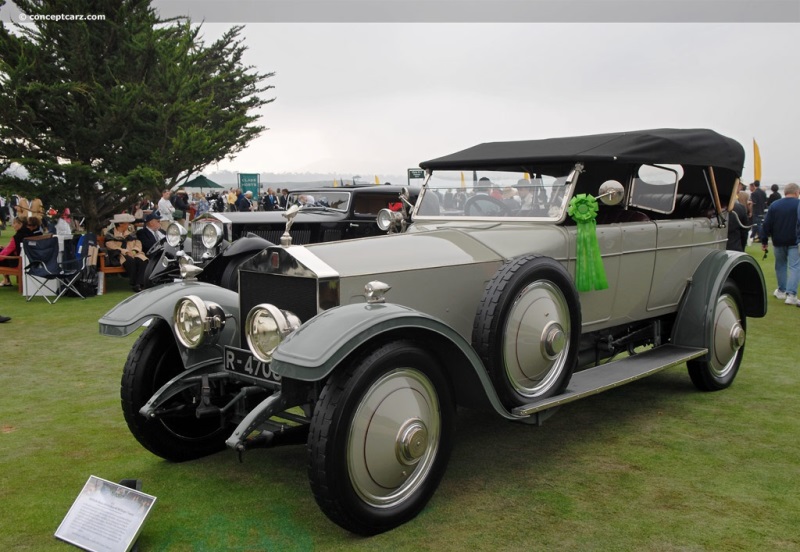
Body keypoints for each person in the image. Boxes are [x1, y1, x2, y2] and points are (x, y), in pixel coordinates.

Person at [759, 182, 799, 305]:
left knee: (780, 266)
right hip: (794, 240)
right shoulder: (798, 204)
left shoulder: (775, 205)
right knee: (795, 267)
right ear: (797, 192)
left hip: (778, 240)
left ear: (785, 192)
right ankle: (791, 294)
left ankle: (781, 290)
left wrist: (764, 240)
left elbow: (766, 224)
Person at [104, 213, 149, 292]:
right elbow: (110, 245)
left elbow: (138, 243)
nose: (128, 225)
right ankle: (135, 284)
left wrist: (134, 251)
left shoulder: (131, 233)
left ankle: (140, 283)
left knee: (143, 261)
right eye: (127, 223)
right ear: (120, 224)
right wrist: (124, 251)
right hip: (120, 254)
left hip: (135, 253)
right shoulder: (110, 234)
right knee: (130, 261)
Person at [0, 216, 33, 286]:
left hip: (17, 262)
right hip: (28, 260)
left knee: (2, 254)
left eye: (14, 223)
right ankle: (6, 280)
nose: (12, 225)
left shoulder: (17, 237)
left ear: (20, 224)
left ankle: (6, 280)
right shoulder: (30, 232)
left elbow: (7, 252)